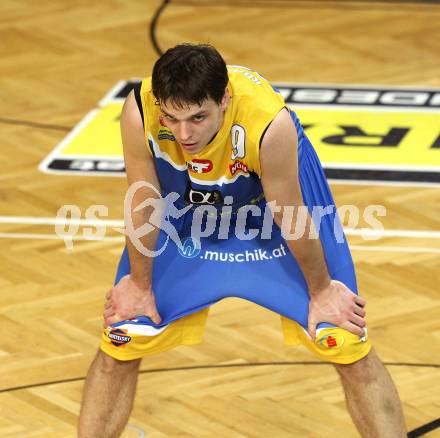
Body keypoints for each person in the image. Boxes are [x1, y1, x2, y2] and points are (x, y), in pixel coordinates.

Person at [78, 44, 406, 437]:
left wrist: (321, 291)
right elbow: (144, 198)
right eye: (172, 117)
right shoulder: (139, 110)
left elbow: (291, 214)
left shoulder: (268, 123)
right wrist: (139, 284)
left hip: (271, 217)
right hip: (186, 214)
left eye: (198, 117)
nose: (184, 133)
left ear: (225, 98)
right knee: (122, 336)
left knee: (344, 339)